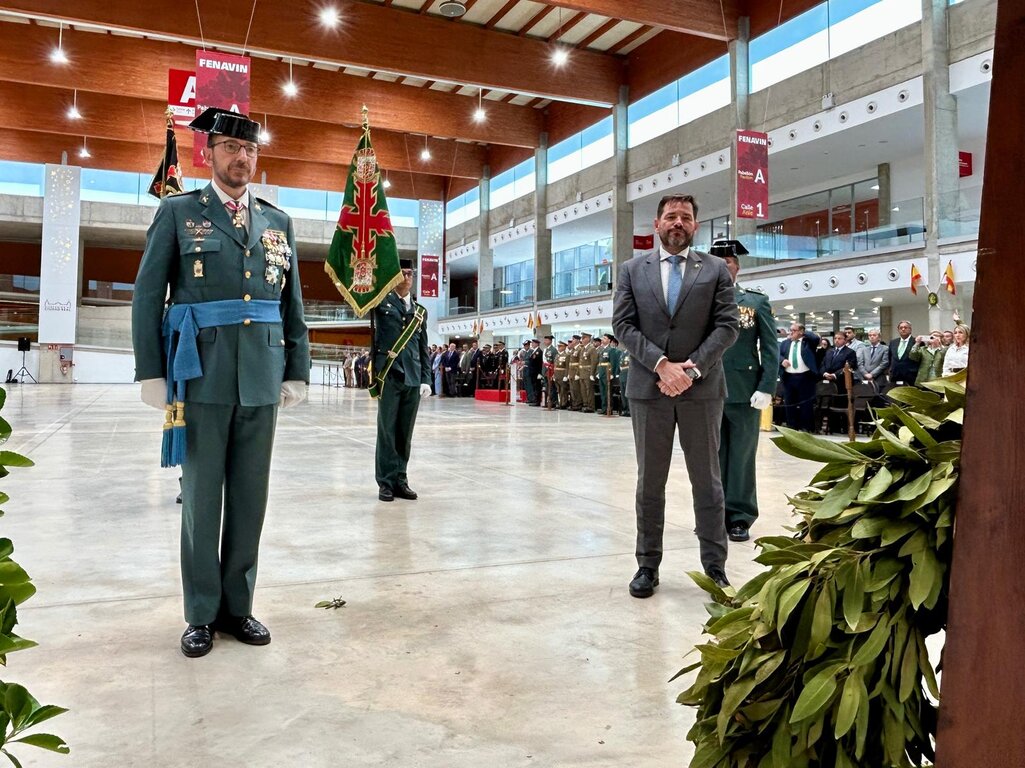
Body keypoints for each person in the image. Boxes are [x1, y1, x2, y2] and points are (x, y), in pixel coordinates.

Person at [132, 107, 310, 658]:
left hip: (261, 375)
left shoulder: (277, 222)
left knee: (251, 501)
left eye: (250, 149)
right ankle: (201, 613)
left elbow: (291, 304)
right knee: (203, 502)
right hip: (200, 374)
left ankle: (239, 607)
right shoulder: (180, 212)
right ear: (208, 154)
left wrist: (296, 369)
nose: (242, 157)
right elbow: (147, 294)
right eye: (231, 147)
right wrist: (152, 370)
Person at [612, 194, 739, 597]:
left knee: (708, 481)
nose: (678, 222)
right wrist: (662, 365)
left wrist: (693, 368)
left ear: (696, 226)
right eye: (671, 216)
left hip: (702, 390)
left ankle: (715, 567)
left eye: (685, 217)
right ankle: (647, 566)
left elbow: (727, 326)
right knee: (650, 482)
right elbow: (623, 325)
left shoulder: (716, 268)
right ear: (657, 223)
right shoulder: (633, 270)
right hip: (649, 390)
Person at [710, 240, 779, 544]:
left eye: (729, 261)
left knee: (740, 456)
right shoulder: (698, 300)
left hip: (743, 390)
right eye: (718, 262)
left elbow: (771, 347)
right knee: (709, 458)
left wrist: (766, 387)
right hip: (705, 390)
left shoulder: (755, 301)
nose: (725, 266)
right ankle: (713, 514)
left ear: (737, 266)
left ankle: (739, 516)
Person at [371, 260, 431, 502]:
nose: (407, 277)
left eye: (410, 273)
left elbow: (423, 347)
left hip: (413, 378)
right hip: (389, 375)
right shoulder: (380, 303)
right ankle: (385, 482)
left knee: (404, 433)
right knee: (387, 431)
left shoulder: (420, 312)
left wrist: (426, 379)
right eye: (402, 273)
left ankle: (400, 479)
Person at [779, 322, 820, 432]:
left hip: (805, 377)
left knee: (806, 404)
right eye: (790, 330)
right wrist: (782, 360)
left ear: (801, 331)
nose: (790, 333)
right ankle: (791, 427)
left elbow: (816, 338)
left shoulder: (808, 342)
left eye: (793, 330)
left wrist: (803, 331)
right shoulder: (785, 343)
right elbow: (777, 354)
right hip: (789, 377)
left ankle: (806, 427)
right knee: (789, 403)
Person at [888, 320, 920, 387]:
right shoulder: (893, 342)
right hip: (895, 376)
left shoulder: (916, 342)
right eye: (901, 328)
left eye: (905, 327)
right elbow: (890, 357)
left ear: (910, 329)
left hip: (911, 376)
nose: (903, 329)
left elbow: (919, 359)